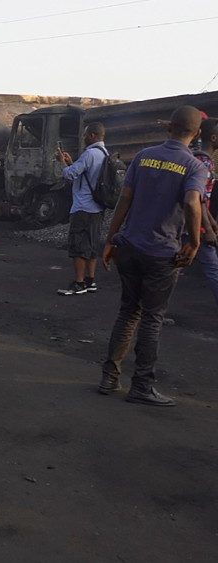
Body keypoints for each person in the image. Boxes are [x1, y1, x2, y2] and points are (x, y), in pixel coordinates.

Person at [99, 106, 207, 406]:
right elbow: (191, 202)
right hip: (162, 254)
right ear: (196, 133)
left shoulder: (144, 156)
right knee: (152, 318)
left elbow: (125, 198)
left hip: (129, 247)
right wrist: (195, 242)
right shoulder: (194, 166)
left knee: (128, 311)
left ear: (168, 127)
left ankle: (109, 377)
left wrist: (111, 239)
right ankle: (142, 385)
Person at [56, 122, 108, 296]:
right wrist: (72, 162)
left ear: (92, 135)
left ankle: (78, 283)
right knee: (92, 245)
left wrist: (63, 163)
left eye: (85, 134)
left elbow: (69, 174)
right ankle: (90, 280)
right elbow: (85, 173)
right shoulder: (104, 153)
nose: (83, 137)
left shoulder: (89, 154)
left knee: (78, 246)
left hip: (83, 207)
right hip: (98, 208)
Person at [191, 118, 218, 306]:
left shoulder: (201, 160)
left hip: (191, 224)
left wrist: (210, 220)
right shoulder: (204, 163)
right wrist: (207, 228)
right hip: (194, 225)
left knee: (171, 269)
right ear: (214, 138)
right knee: (213, 269)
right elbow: (197, 198)